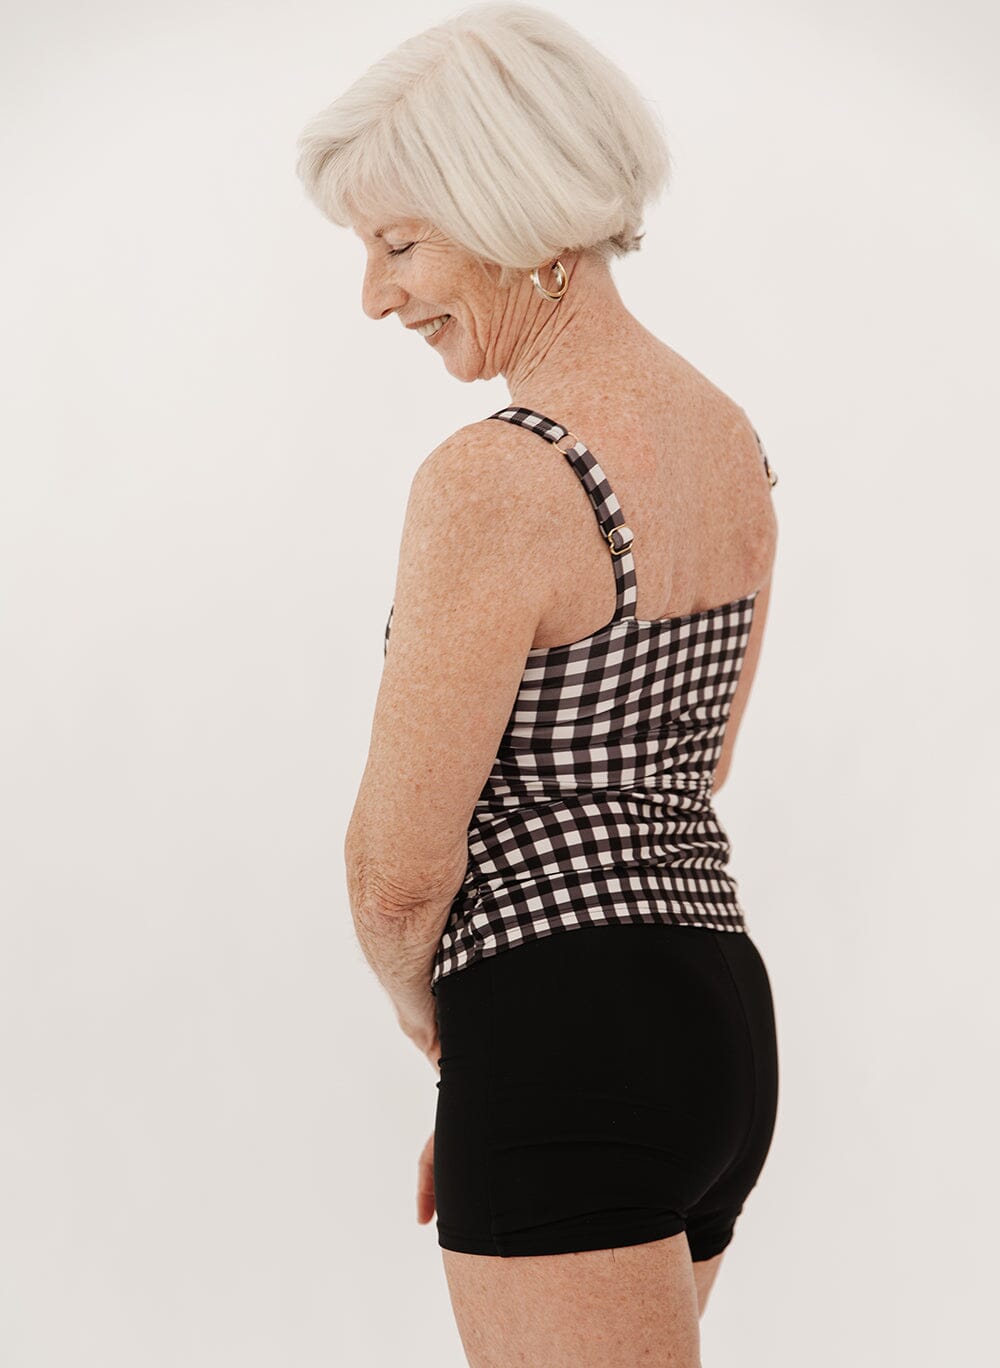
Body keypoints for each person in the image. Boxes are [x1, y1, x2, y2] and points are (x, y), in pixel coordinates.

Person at [297, 4, 780, 1364]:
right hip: (720, 1024)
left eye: (400, 243)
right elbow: (702, 765)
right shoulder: (728, 441)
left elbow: (397, 873)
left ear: (510, 208)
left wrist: (464, 1044)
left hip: (565, 1035)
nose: (379, 296)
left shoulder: (498, 476)